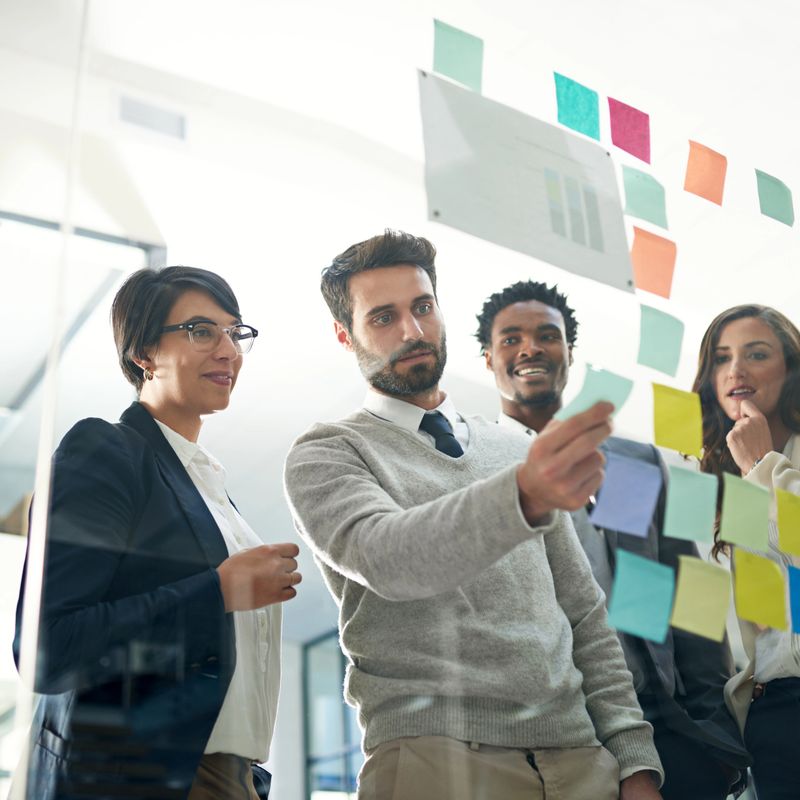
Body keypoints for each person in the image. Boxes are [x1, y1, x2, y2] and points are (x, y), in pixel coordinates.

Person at [284, 230, 664, 800]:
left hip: (581, 761)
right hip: (431, 758)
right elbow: (389, 557)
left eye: (422, 307)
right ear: (346, 336)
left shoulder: (516, 451)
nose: (411, 331)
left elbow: (584, 615)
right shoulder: (327, 453)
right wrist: (522, 497)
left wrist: (635, 761)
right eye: (383, 317)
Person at [14, 266, 301, 800]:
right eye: (201, 331)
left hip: (229, 776)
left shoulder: (211, 486)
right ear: (143, 354)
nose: (228, 351)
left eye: (235, 333)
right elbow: (48, 649)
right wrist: (217, 592)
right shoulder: (106, 451)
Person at [476, 279, 751, 800]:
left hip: (666, 725)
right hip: (553, 738)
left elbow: (686, 594)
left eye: (546, 335)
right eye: (510, 339)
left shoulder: (629, 463)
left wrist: (715, 733)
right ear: (488, 358)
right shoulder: (478, 472)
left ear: (569, 352)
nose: (530, 347)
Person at [692, 304, 800, 800]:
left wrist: (761, 463)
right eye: (721, 358)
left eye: (756, 354)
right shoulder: (715, 488)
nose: (735, 370)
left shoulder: (759, 468)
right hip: (771, 715)